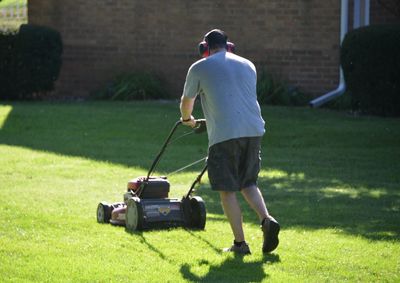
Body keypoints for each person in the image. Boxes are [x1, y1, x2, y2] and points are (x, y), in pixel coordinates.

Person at [179, 29, 280, 255]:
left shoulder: (199, 67)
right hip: (254, 130)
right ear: (228, 45)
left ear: (205, 48)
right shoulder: (248, 65)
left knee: (227, 189)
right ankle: (267, 219)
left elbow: (187, 101)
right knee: (248, 182)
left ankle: (240, 244)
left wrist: (187, 120)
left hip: (225, 134)